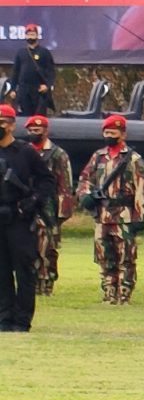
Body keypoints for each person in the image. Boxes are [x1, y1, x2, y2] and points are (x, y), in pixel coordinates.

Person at [75, 117, 144, 304]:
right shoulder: (98, 157)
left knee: (126, 256)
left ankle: (124, 293)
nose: (109, 136)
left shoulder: (133, 159)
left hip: (124, 214)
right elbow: (85, 179)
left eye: (113, 133)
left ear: (123, 134)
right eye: (106, 133)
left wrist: (141, 216)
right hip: (102, 214)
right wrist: (85, 196)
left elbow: (142, 188)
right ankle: (108, 291)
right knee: (103, 255)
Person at [0, 104, 57, 330]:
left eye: (3, 121)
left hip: (19, 219)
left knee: (24, 271)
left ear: (13, 125)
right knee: (1, 271)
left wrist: (33, 202)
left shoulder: (26, 152)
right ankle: (4, 318)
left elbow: (47, 181)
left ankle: (22, 320)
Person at [21, 114, 73, 296]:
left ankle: (47, 283)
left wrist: (63, 212)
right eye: (31, 130)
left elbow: (65, 184)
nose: (34, 133)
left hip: (49, 208)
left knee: (48, 249)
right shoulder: (24, 151)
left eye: (37, 130)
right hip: (28, 206)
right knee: (29, 248)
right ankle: (33, 283)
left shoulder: (57, 154)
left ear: (45, 130)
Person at [7, 24, 56, 116]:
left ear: (37, 36)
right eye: (28, 34)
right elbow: (15, 72)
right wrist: (13, 89)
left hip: (39, 91)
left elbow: (51, 71)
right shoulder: (20, 52)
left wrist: (47, 85)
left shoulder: (44, 52)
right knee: (25, 117)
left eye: (32, 34)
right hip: (24, 91)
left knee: (39, 117)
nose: (30, 36)